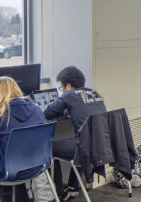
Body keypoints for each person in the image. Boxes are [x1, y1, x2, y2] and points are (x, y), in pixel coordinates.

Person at [44, 66, 110, 194]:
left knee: (47, 147)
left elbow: (47, 112)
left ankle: (59, 193)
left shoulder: (69, 95)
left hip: (85, 146)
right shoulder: (94, 93)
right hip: (102, 144)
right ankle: (73, 187)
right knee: (80, 138)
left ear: (68, 86)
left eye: (62, 87)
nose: (62, 90)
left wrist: (64, 107)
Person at [0, 75, 46, 181]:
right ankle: (17, 197)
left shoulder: (0, 116)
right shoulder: (37, 109)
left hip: (12, 171)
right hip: (37, 166)